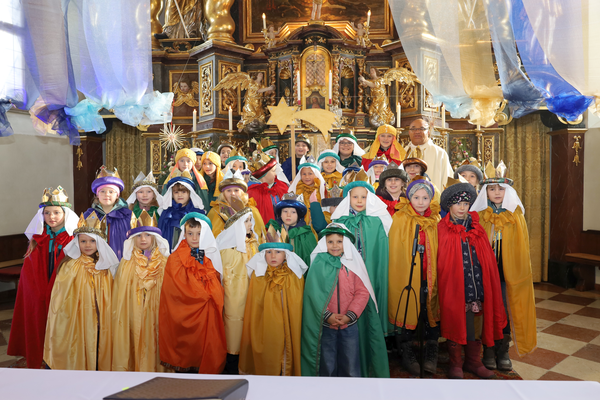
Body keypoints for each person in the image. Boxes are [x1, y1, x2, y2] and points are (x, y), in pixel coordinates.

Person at [470, 161, 537, 370]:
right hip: (485, 273)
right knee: (487, 310)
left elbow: (521, 246)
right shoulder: (480, 215)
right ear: (485, 192)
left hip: (508, 274)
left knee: (505, 309)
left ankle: (502, 349)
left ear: (508, 191)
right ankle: (488, 349)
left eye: (501, 188)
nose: (497, 192)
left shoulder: (515, 215)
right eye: (492, 189)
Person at [437, 182, 506, 379]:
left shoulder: (477, 227)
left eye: (466, 203)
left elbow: (487, 257)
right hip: (454, 286)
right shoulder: (441, 228)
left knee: (476, 323)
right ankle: (455, 363)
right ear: (449, 205)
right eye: (457, 203)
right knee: (455, 320)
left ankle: (473, 361)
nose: (462, 207)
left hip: (477, 285)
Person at [301, 223, 389, 378]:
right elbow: (314, 294)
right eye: (330, 241)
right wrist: (328, 315)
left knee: (350, 362)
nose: (335, 245)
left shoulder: (353, 264)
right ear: (324, 243)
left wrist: (350, 315)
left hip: (349, 325)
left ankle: (351, 389)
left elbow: (362, 292)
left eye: (339, 241)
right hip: (326, 325)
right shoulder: (319, 264)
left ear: (346, 243)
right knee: (327, 363)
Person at [8, 187, 78, 369]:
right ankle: (41, 358)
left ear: (65, 214)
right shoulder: (37, 239)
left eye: (56, 212)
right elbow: (29, 271)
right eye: (47, 213)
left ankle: (61, 359)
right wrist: (37, 291)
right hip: (39, 291)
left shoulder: (73, 239)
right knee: (40, 323)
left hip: (63, 291)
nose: (51, 217)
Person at [44, 212, 118, 370]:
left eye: (92, 241)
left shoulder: (107, 266)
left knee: (99, 347)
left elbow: (113, 293)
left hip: (101, 319)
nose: (88, 245)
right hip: (77, 318)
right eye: (83, 241)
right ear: (77, 242)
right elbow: (60, 297)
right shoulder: (69, 265)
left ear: (100, 243)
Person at [159, 213, 227, 373]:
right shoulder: (175, 258)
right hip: (185, 310)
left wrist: (211, 292)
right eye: (190, 233)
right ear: (184, 234)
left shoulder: (210, 255)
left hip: (207, 312)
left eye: (199, 234)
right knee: (188, 345)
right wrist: (202, 294)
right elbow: (175, 287)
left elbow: (217, 281)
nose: (195, 238)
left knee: (205, 343)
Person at [388, 177, 441, 375]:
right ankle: (406, 348)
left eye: (425, 198)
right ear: (409, 198)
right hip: (408, 274)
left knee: (430, 310)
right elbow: (395, 249)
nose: (420, 202)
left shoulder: (435, 219)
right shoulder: (400, 218)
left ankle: (431, 350)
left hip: (430, 274)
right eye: (416, 197)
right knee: (408, 305)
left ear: (430, 199)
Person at [330, 171, 393, 336]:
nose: (359, 201)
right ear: (348, 199)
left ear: (370, 199)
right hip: (348, 273)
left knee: (369, 298)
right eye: (355, 197)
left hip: (371, 269)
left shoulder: (376, 221)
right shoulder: (341, 221)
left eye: (363, 197)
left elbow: (380, 251)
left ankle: (372, 335)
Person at [112, 211, 170, 372]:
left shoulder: (165, 262)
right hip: (133, 311)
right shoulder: (127, 262)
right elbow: (121, 293)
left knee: (155, 339)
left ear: (155, 237)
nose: (143, 239)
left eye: (147, 235)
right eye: (138, 236)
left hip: (157, 313)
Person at [239, 242, 307, 375]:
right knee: (268, 348)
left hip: (287, 324)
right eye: (269, 252)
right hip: (266, 323)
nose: (273, 256)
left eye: (278, 252)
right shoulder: (258, 275)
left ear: (286, 255)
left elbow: (296, 303)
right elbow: (255, 304)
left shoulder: (293, 275)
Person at [216, 207, 261, 374]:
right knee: (233, 330)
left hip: (251, 294)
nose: (250, 224)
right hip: (232, 298)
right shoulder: (225, 248)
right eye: (246, 221)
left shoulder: (253, 244)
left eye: (250, 221)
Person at [84, 166, 132, 260]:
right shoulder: (89, 215)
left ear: (117, 195)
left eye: (111, 191)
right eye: (102, 191)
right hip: (95, 262)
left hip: (120, 261)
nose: (107, 194)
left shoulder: (127, 216)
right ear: (97, 195)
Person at [207, 169, 266, 241]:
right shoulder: (215, 211)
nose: (233, 193)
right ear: (223, 193)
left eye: (236, 190)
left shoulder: (252, 210)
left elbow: (260, 235)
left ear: (242, 192)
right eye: (229, 190)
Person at [266, 193, 318, 268]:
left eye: (293, 212)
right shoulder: (273, 231)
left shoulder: (306, 234)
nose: (288, 215)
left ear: (298, 215)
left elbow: (310, 261)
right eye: (285, 211)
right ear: (280, 214)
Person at [158, 170, 205, 250]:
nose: (180, 195)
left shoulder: (197, 213)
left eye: (183, 192)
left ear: (189, 193)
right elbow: (161, 234)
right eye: (176, 192)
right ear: (172, 194)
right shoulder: (167, 213)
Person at [404, 118, 453, 191]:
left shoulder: (440, 153)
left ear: (428, 132)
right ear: (409, 132)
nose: (417, 132)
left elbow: (447, 180)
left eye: (422, 129)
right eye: (413, 129)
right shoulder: (402, 152)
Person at [247, 153, 289, 223]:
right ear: (264, 174)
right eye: (273, 171)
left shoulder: (279, 186)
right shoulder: (252, 193)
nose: (275, 174)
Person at [288, 156, 327, 225]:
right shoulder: (298, 189)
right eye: (304, 174)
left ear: (316, 174)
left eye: (310, 173)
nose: (307, 177)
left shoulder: (321, 189)